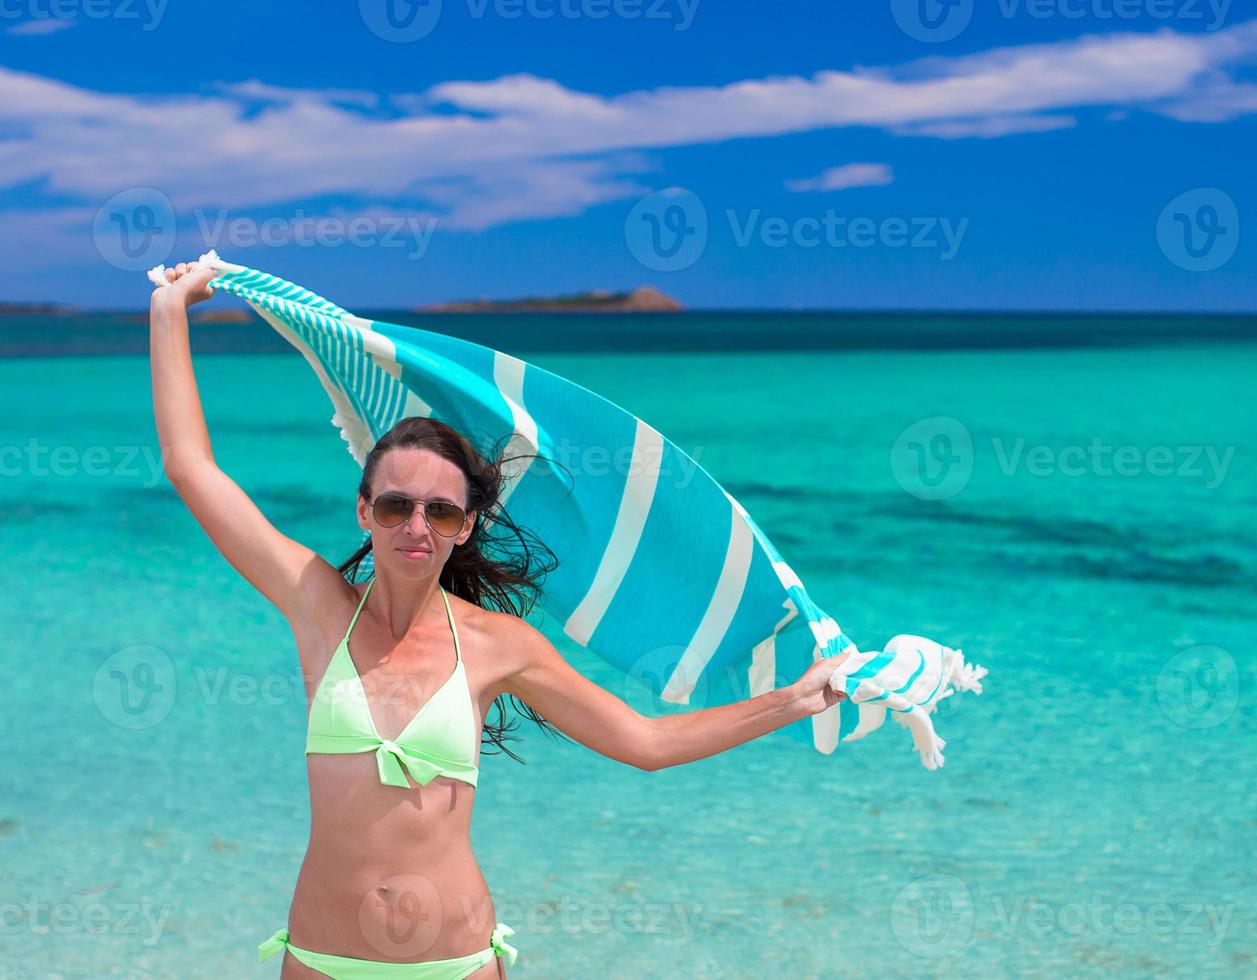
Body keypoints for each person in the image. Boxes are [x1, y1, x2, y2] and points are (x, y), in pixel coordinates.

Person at [148, 260, 851, 979]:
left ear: (465, 525)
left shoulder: (500, 647)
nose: (415, 525)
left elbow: (644, 742)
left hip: (456, 964)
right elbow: (189, 466)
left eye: (440, 510)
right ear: (365, 511)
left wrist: (796, 699)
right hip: (324, 960)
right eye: (395, 505)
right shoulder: (317, 604)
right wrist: (170, 309)